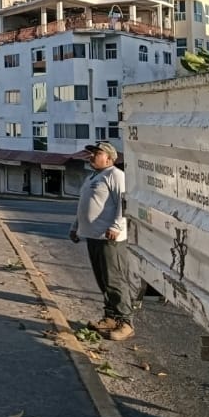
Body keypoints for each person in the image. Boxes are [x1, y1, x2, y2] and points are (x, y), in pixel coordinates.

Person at [69, 141, 134, 341]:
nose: (92, 156)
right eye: (91, 153)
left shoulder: (116, 175)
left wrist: (116, 226)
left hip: (110, 238)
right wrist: (75, 226)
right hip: (93, 236)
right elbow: (83, 205)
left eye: (97, 153)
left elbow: (124, 204)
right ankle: (111, 317)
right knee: (103, 280)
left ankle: (126, 322)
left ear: (109, 158)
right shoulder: (92, 177)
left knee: (114, 280)